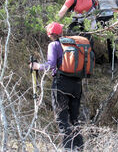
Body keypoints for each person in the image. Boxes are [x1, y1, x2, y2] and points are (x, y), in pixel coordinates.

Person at [29, 22, 84, 151]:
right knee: (74, 118)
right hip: (77, 84)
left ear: (50, 34)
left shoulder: (54, 45)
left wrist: (37, 66)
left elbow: (50, 65)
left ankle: (68, 148)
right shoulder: (72, 44)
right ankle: (79, 147)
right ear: (61, 32)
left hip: (61, 84)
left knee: (62, 118)